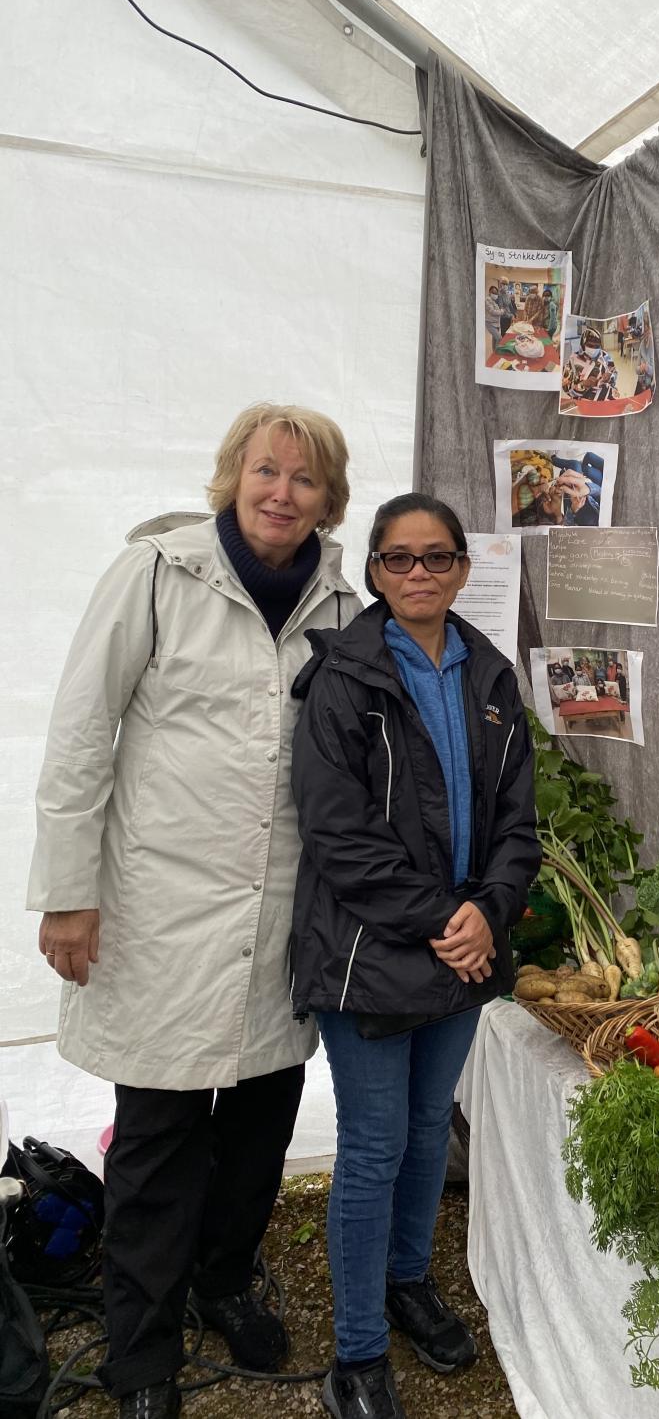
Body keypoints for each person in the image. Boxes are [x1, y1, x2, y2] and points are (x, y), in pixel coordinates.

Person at [28, 404, 359, 1418]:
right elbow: (82, 733)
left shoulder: (343, 603)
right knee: (163, 1135)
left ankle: (223, 1278)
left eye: (304, 480)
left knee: (260, 1126)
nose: (281, 493)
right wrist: (68, 893)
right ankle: (141, 1355)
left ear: (328, 499)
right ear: (231, 476)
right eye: (265, 471)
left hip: (278, 917)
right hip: (160, 909)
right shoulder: (158, 575)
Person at [289, 493, 539, 1419]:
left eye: (437, 558)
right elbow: (336, 833)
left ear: (464, 567)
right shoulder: (344, 679)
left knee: (433, 1130)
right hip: (369, 953)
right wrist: (448, 916)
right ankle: (356, 1354)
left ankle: (406, 1280)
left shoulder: (491, 674)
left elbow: (519, 820)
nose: (420, 574)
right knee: (371, 1147)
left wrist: (492, 907)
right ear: (376, 574)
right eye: (399, 559)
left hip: (461, 950)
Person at [562, 326, 619, 405]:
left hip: (605, 397)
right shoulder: (572, 361)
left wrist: (610, 376)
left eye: (597, 346)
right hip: (583, 402)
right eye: (590, 345)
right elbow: (567, 389)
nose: (593, 349)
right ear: (583, 344)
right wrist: (582, 385)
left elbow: (614, 373)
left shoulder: (605, 356)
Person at [483, 285, 502, 355]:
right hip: (490, 323)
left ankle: (494, 352)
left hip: (496, 323)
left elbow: (497, 310)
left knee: (495, 339)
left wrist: (500, 311)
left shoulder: (494, 302)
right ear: (489, 292)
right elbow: (493, 312)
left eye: (496, 293)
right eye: (493, 292)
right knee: (499, 338)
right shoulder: (487, 300)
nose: (495, 294)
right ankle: (497, 353)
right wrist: (501, 311)